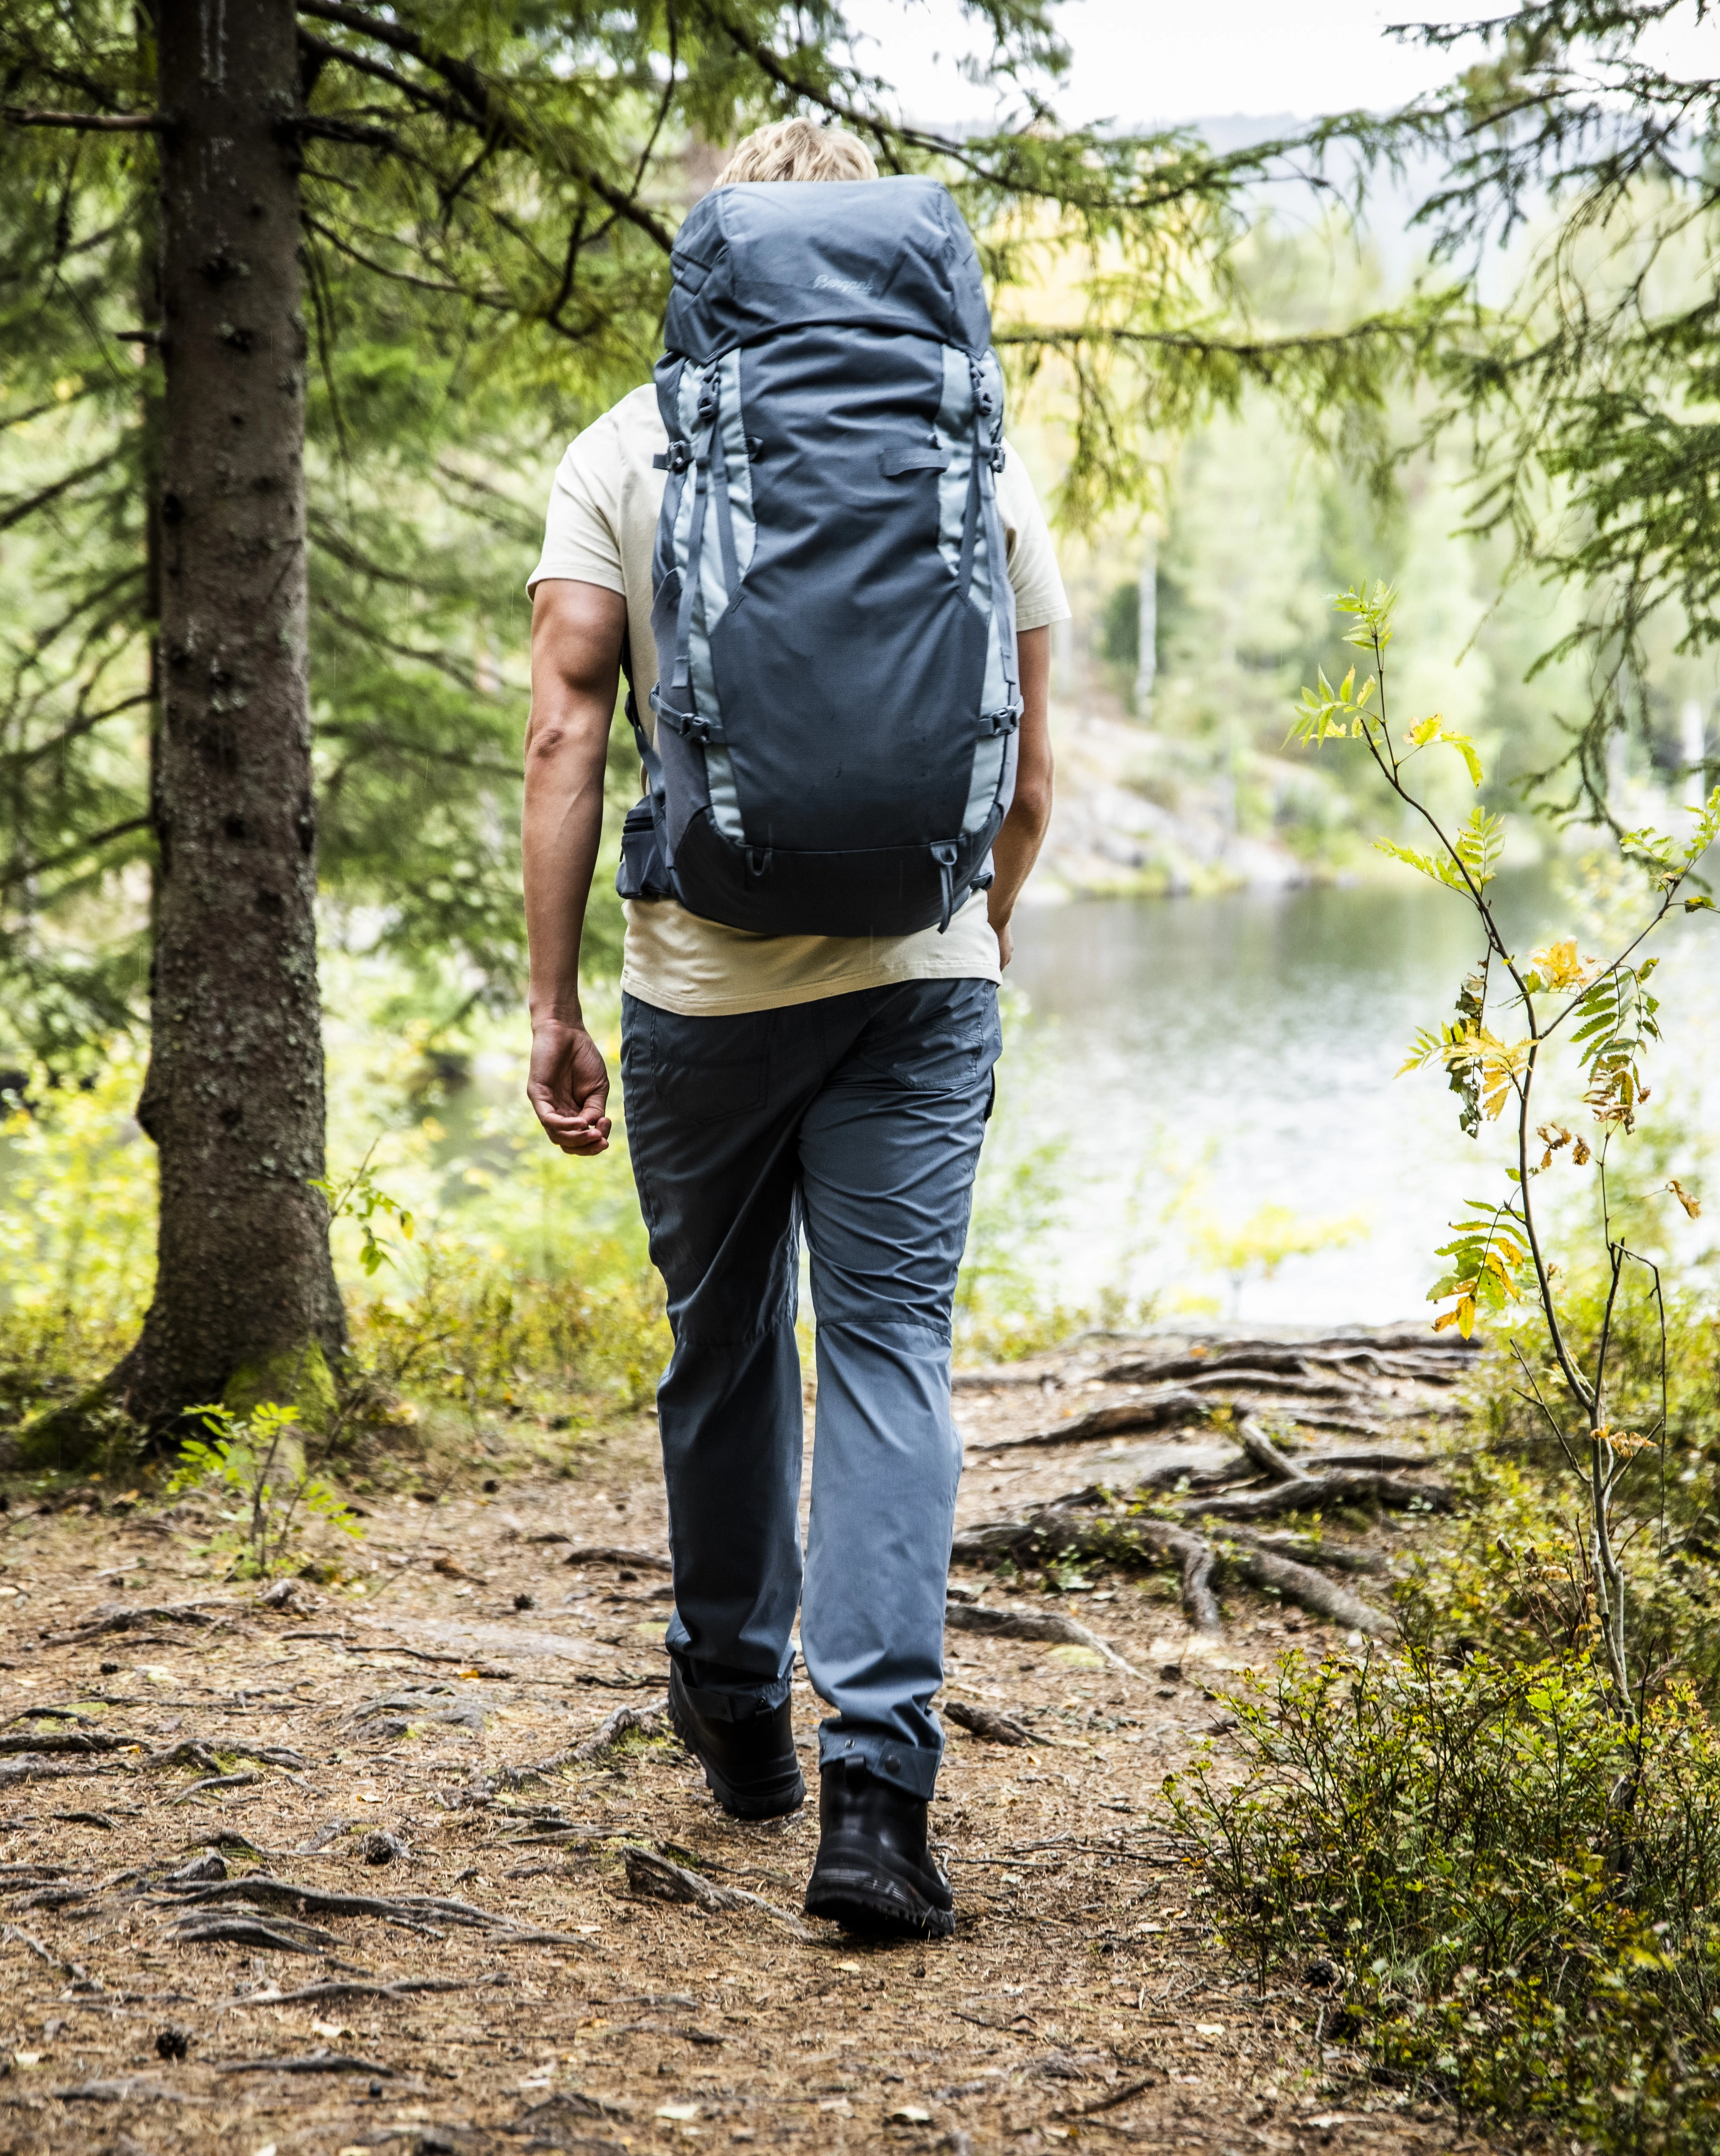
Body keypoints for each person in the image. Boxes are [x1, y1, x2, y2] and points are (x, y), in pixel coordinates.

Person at [520, 116, 1068, 1938]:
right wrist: (962, 951)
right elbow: (1032, 781)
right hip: (922, 977)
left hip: (700, 985)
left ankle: (740, 1710)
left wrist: (547, 1002)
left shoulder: (628, 445)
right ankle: (878, 1812)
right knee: (893, 1357)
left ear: (723, 244)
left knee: (727, 1343)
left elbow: (566, 733)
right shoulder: (974, 446)